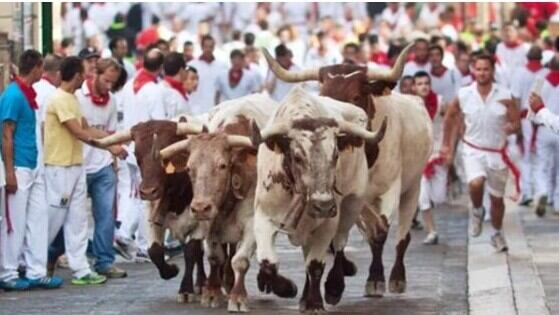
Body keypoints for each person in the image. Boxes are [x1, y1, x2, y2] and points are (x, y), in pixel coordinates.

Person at [44, 56, 123, 285]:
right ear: (78, 75)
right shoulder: (58, 98)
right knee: (54, 219)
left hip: (76, 164)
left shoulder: (71, 99)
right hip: (60, 165)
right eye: (83, 73)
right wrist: (110, 146)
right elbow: (78, 132)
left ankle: (81, 269)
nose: (85, 77)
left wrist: (113, 142)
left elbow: (88, 128)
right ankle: (35, 266)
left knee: (78, 220)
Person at [441, 54, 520, 252]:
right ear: (473, 71)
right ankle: (477, 210)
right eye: (479, 69)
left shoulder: (505, 95)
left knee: (497, 199)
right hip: (472, 149)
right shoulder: (465, 94)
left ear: (492, 71)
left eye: (486, 69)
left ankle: (497, 233)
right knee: (475, 182)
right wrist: (446, 145)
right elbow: (450, 117)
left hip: (496, 152)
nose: (482, 73)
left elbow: (517, 123)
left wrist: (512, 127)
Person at [0, 50, 63, 291]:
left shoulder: (26, 94)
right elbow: (6, 134)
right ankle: (8, 272)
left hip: (32, 164)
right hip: (19, 165)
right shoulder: (14, 96)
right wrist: (10, 171)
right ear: (36, 68)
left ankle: (36, 270)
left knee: (38, 219)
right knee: (14, 222)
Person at [76, 58, 127, 278]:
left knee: (106, 214)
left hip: (103, 164)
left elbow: (112, 131)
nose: (108, 86)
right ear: (96, 74)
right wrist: (110, 144)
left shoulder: (112, 101)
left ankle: (105, 260)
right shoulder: (78, 97)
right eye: (106, 80)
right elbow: (82, 130)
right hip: (78, 163)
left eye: (112, 83)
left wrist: (113, 161)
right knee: (73, 217)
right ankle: (55, 255)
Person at [115, 47, 165, 262]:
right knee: (148, 198)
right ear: (161, 67)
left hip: (130, 147)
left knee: (136, 195)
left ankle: (127, 234)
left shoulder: (129, 86)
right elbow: (161, 122)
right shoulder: (154, 90)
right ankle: (141, 242)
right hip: (148, 152)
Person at [510, 46, 549, 207]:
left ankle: (527, 192)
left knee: (525, 157)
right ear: (541, 58)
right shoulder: (546, 74)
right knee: (541, 158)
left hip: (526, 119)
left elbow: (516, 99)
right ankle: (542, 190)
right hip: (544, 120)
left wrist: (516, 123)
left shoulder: (519, 73)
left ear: (527, 57)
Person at [413, 71, 447, 245]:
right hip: (419, 157)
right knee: (423, 198)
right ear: (414, 87)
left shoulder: (440, 102)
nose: (424, 86)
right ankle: (432, 231)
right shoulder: (410, 106)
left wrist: (448, 146)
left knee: (439, 197)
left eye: (426, 83)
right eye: (419, 83)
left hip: (438, 155)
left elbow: (451, 122)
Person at [528, 58, 559, 216]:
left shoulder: (540, 82)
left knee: (542, 165)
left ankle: (542, 191)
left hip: (544, 128)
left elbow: (531, 111)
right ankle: (557, 202)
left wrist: (533, 131)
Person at [188, 35, 227, 114]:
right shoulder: (192, 65)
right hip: (197, 109)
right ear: (201, 47)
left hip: (217, 109)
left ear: (214, 47)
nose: (208, 49)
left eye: (211, 47)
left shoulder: (222, 66)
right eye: (206, 46)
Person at [161, 52, 189, 118]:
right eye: (186, 68)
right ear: (181, 70)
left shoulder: (160, 87)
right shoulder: (173, 94)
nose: (187, 72)